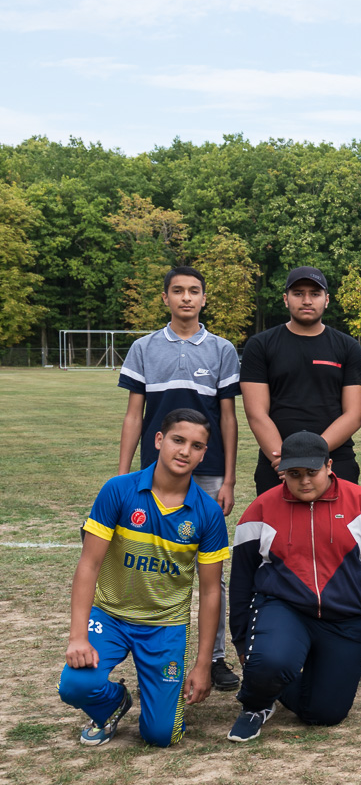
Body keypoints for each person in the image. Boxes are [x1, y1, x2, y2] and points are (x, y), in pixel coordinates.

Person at [59, 409, 230, 747]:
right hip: (110, 616)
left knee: (161, 736)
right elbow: (89, 565)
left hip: (165, 626)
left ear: (203, 454)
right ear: (159, 440)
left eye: (196, 446)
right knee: (75, 686)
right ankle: (113, 703)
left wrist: (203, 664)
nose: (185, 451)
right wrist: (78, 636)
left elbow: (212, 592)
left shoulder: (209, 513)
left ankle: (159, 705)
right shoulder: (118, 490)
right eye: (178, 440)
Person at [226, 432, 361, 742]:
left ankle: (282, 679)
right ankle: (256, 702)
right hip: (284, 609)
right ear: (283, 473)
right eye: (294, 474)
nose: (304, 481)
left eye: (312, 472)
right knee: (270, 662)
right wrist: (241, 640)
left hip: (345, 618)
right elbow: (240, 580)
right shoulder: (261, 509)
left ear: (329, 466)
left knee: (325, 713)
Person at [117, 265, 240, 692]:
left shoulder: (222, 349)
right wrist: (123, 476)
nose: (186, 297)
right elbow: (134, 415)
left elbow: (228, 418)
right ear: (165, 297)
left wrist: (228, 479)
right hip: (155, 475)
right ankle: (146, 652)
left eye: (194, 291)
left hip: (208, 474)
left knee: (211, 571)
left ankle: (215, 657)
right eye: (178, 290)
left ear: (204, 298)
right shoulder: (144, 348)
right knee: (150, 562)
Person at [241, 266, 361, 496]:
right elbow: (256, 413)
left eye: (315, 294)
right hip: (277, 462)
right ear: (285, 299)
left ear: (326, 300)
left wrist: (312, 456)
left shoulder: (348, 347)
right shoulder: (260, 345)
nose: (307, 300)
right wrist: (287, 460)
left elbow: (354, 414)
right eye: (298, 293)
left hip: (335, 461)